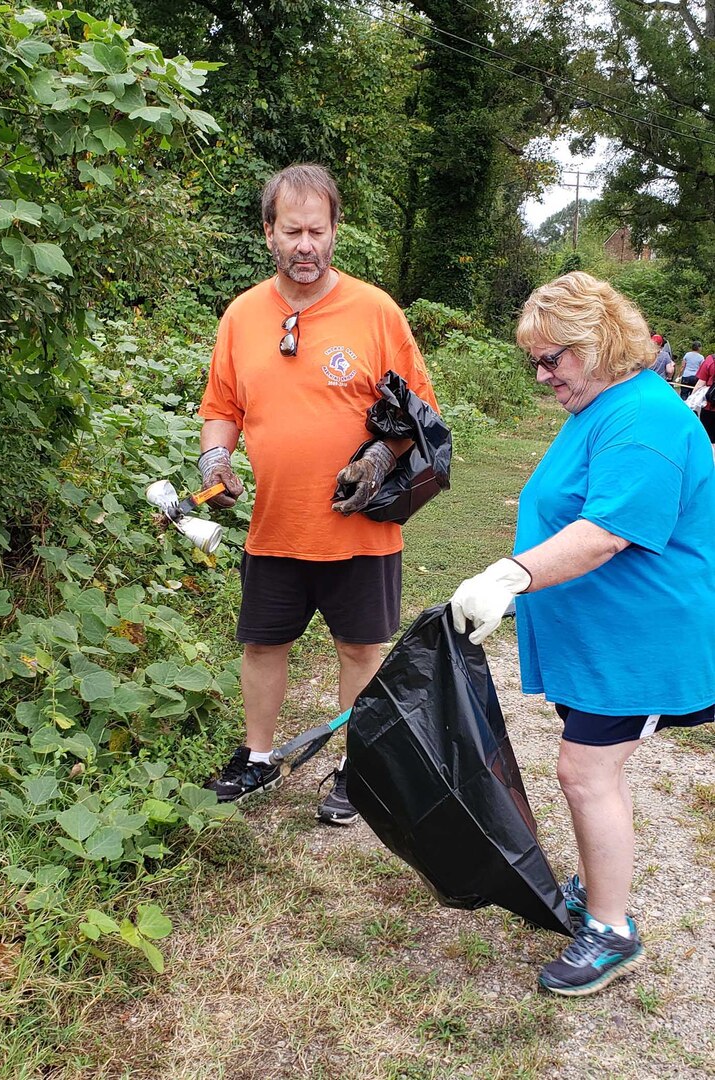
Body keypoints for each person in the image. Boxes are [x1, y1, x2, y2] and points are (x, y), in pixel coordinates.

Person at [449, 272, 715, 997]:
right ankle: (601, 888)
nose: (541, 377)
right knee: (599, 769)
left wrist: (509, 574)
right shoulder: (602, 407)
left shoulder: (647, 418)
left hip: (641, 642)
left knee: (583, 771)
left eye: (552, 359)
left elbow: (603, 534)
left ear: (599, 342)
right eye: (532, 362)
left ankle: (610, 929)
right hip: (602, 639)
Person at [198, 164, 437, 825]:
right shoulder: (243, 314)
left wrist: (377, 457)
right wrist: (215, 455)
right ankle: (256, 755)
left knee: (361, 650)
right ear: (268, 233)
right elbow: (221, 405)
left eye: (317, 230)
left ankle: (357, 771)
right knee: (262, 646)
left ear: (334, 232)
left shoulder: (375, 312)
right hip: (274, 526)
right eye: (291, 231)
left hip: (357, 529)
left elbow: (419, 411)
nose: (305, 244)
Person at [692, 351, 715, 462]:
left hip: (710, 407)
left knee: (707, 438)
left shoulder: (710, 360)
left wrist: (691, 400)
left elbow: (701, 383)